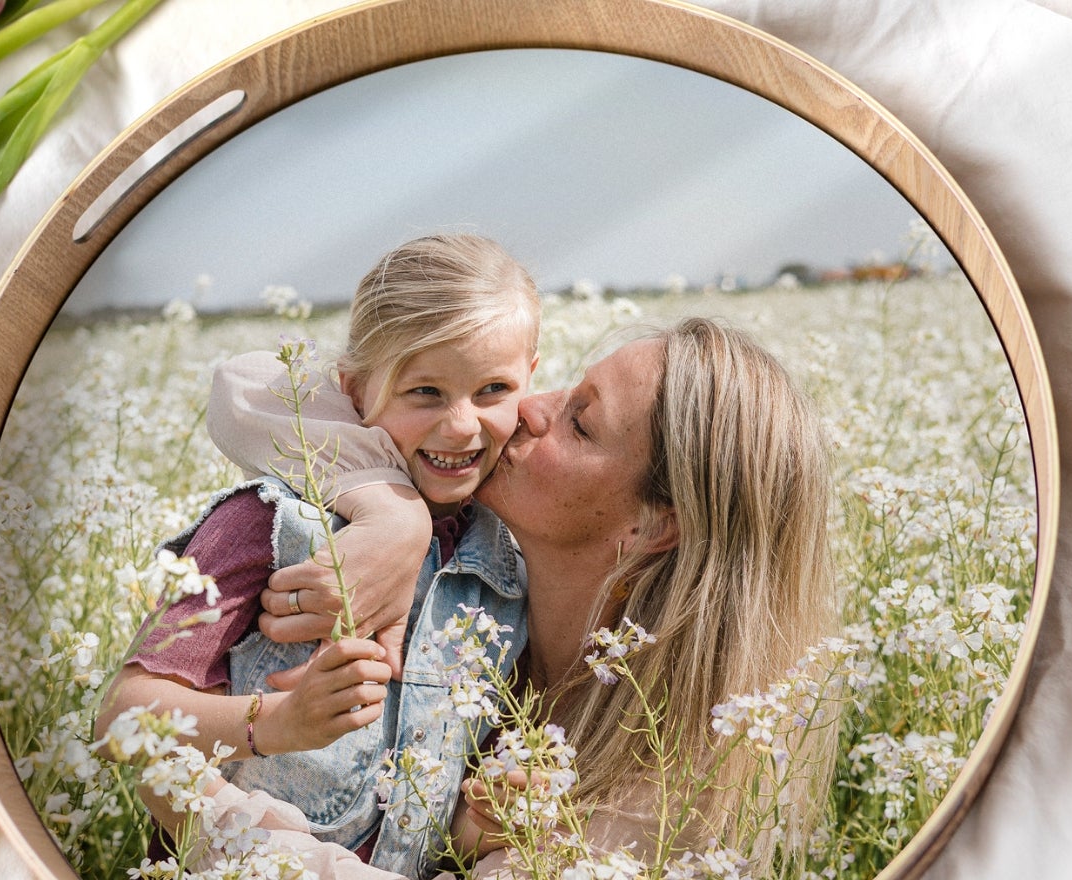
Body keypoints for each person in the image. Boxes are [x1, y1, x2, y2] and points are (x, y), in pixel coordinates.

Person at [208, 317, 840, 873]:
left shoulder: (664, 795)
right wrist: (395, 515)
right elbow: (249, 381)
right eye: (565, 386)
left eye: (581, 423)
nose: (530, 408)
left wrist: (199, 804)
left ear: (651, 524)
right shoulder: (470, 571)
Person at [100, 233, 544, 875]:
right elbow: (120, 717)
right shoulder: (268, 522)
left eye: (493, 389)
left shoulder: (507, 567)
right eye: (425, 392)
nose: (461, 425)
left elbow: (419, 819)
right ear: (355, 389)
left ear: (532, 375)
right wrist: (277, 721)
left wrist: (475, 824)